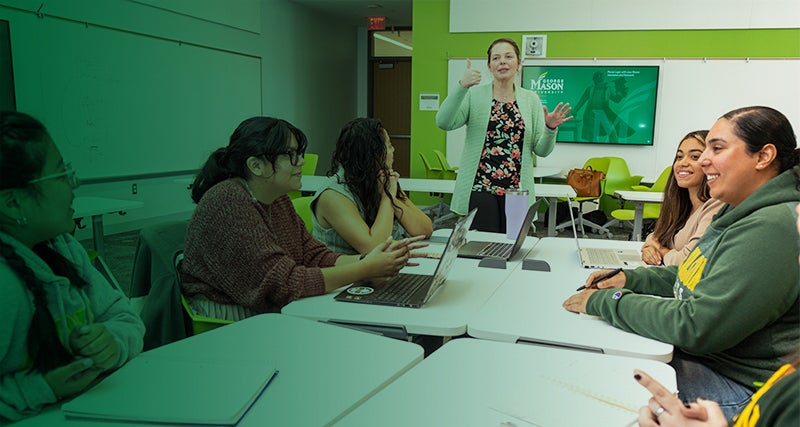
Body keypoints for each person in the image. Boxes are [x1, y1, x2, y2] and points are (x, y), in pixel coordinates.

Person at [562, 106, 800, 421]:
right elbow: (694, 274)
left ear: (763, 156)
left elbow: (696, 325)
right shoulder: (737, 210)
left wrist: (607, 301)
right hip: (710, 363)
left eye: (717, 148)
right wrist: (631, 281)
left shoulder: (770, 226)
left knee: (590, 380)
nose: (703, 160)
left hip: (738, 389)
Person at [181, 116, 426, 321]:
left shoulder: (276, 199)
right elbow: (285, 284)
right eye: (291, 155)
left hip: (268, 306)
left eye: (299, 154)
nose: (302, 162)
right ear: (256, 165)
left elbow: (314, 256)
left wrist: (371, 261)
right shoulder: (230, 201)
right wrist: (365, 268)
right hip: (227, 317)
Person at [0, 112, 145, 421]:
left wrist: (112, 343)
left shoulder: (62, 246)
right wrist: (40, 387)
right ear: (13, 203)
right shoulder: (5, 286)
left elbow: (126, 318)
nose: (74, 183)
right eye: (60, 174)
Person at [633, 203, 800, 427]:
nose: (797, 211)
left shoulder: (769, 225)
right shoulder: (727, 211)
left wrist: (613, 300)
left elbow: (696, 325)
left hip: (737, 383)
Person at [435, 37, 572, 232]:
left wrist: (550, 129)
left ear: (518, 63)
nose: (502, 62)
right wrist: (461, 86)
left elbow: (542, 150)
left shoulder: (530, 99)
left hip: (517, 190)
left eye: (508, 56)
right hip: (481, 186)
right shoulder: (474, 95)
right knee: (484, 248)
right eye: (496, 58)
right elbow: (443, 122)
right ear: (489, 66)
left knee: (512, 247)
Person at [311, 117, 432, 255]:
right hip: (346, 273)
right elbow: (373, 248)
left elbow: (424, 229)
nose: (394, 150)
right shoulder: (333, 195)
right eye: (389, 145)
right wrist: (387, 197)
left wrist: (391, 196)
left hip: (377, 271)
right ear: (373, 153)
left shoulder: (381, 180)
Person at [641, 130, 724, 266]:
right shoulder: (681, 204)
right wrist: (650, 246)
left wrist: (660, 250)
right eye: (679, 157)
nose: (682, 163)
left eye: (695, 157)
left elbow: (688, 261)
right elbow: (657, 235)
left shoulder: (716, 205)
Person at [572, 71, 635, 142]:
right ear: (595, 79)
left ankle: (614, 150)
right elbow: (582, 101)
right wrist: (574, 111)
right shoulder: (590, 89)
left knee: (612, 132)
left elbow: (616, 99)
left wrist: (621, 92)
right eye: (598, 77)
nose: (600, 79)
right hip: (590, 114)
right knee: (592, 137)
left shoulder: (607, 88)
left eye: (601, 77)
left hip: (602, 113)